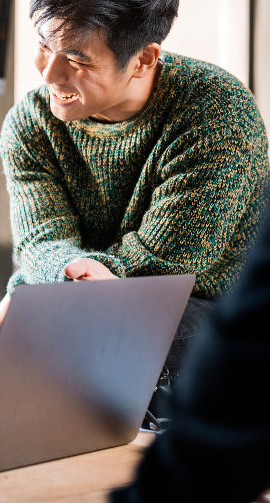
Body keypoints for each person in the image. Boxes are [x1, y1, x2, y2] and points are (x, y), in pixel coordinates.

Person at [0, 0, 268, 384]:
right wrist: (48, 281)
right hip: (98, 304)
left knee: (76, 342)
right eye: (45, 46)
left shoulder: (216, 109)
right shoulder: (30, 123)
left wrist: (38, 294)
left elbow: (167, 268)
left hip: (213, 307)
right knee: (29, 333)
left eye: (77, 60)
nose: (48, 73)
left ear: (143, 59)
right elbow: (42, 239)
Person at [109, 188, 270, 502]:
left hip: (190, 313)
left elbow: (251, 353)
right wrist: (62, 271)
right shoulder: (30, 138)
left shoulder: (223, 139)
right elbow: (39, 237)